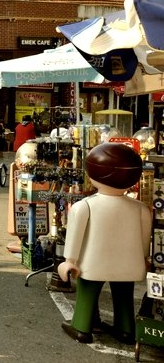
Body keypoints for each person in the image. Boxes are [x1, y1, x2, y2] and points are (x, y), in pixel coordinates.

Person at [58, 142, 151, 345]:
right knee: (124, 296)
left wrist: (69, 260)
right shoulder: (141, 208)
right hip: (129, 265)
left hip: (93, 264)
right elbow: (145, 240)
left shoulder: (85, 206)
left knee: (87, 292)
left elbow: (75, 236)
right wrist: (145, 258)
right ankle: (126, 329)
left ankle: (82, 327)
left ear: (93, 173)